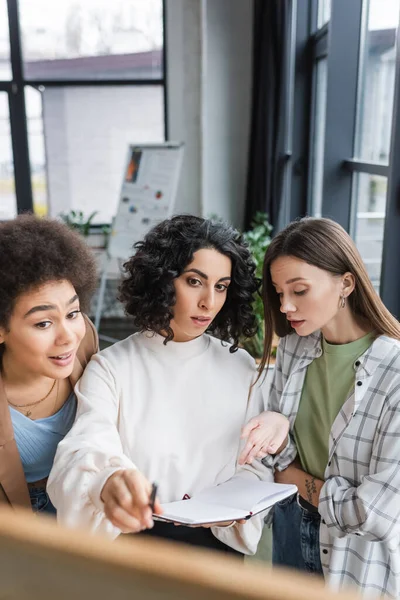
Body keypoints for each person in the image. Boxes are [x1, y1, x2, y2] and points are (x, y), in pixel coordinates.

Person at [48, 215, 289, 556]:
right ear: (162, 280)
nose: (209, 302)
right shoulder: (112, 368)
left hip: (218, 550)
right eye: (194, 282)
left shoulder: (241, 367)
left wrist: (229, 506)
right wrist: (109, 483)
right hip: (136, 550)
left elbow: (254, 464)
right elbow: (83, 450)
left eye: (221, 286)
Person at [239, 216, 400, 597]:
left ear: (346, 282)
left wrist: (296, 481)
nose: (286, 306)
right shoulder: (295, 348)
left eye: (299, 290)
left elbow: (373, 513)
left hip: (356, 553)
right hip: (291, 529)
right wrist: (276, 424)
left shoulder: (394, 373)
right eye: (279, 293)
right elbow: (277, 457)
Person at [0, 214, 98, 515]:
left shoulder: (85, 341)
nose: (68, 337)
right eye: (43, 323)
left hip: (84, 503)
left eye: (72, 313)